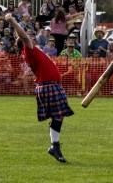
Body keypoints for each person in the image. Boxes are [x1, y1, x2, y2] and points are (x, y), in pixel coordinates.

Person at [5, 13, 74, 163]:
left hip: (49, 86)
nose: (32, 40)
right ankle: (54, 146)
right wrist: (12, 21)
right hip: (48, 86)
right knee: (58, 115)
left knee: (58, 116)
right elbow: (23, 35)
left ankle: (54, 146)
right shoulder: (28, 50)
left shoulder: (33, 51)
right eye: (29, 39)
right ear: (24, 43)